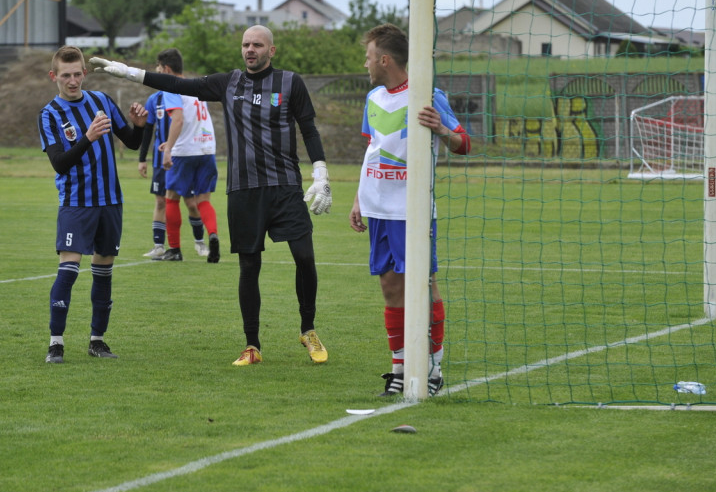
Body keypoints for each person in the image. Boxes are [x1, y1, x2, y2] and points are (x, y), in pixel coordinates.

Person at [90, 25, 333, 366]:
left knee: (305, 257)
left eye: (258, 45)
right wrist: (127, 71)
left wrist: (320, 172)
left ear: (271, 50)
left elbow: (308, 128)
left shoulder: (291, 83)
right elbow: (177, 84)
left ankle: (308, 329)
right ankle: (252, 345)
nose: (250, 49)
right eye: (246, 44)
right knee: (249, 266)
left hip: (285, 187)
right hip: (243, 190)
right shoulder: (228, 82)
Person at [348, 23, 471, 397]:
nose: (365, 64)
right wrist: (358, 198)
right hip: (377, 208)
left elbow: (464, 144)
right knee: (389, 287)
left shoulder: (428, 95)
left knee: (424, 286)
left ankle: (433, 369)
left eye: (368, 57)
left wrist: (441, 130)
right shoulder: (373, 99)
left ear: (384, 59)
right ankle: (399, 368)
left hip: (412, 210)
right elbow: (371, 151)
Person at [38, 46, 147, 364]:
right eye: (66, 75)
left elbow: (132, 141)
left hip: (110, 201)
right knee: (68, 271)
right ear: (54, 76)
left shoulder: (101, 101)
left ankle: (97, 341)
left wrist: (139, 125)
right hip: (76, 203)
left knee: (103, 273)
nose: (72, 81)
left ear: (85, 72)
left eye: (77, 74)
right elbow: (59, 163)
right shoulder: (50, 114)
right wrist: (87, 137)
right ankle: (56, 343)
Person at [138, 49, 221, 263]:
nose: (157, 74)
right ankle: (212, 235)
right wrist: (172, 142)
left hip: (184, 154)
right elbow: (194, 122)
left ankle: (174, 250)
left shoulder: (171, 88)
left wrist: (168, 150)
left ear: (166, 69)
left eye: (158, 70)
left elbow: (178, 120)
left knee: (171, 198)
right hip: (207, 149)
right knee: (203, 200)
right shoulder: (195, 86)